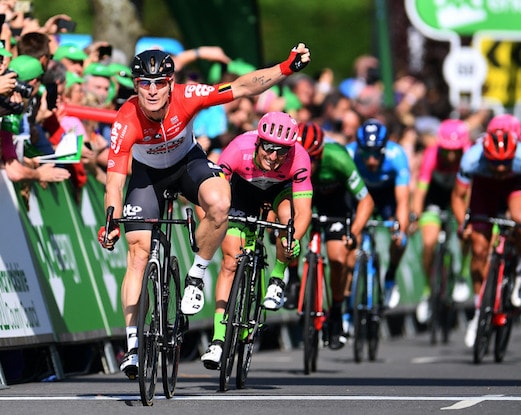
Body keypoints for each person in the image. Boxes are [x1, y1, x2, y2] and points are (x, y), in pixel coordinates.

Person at [97, 43, 311, 378]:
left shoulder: (189, 95)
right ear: (136, 86)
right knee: (138, 253)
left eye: (159, 83)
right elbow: (114, 182)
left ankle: (196, 276)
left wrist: (285, 67)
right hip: (146, 176)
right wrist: (109, 219)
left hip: (188, 165)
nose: (152, 91)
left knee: (220, 202)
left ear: (171, 84)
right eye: (144, 84)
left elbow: (242, 86)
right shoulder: (126, 120)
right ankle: (134, 345)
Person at [200, 111, 313, 369]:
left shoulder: (300, 158)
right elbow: (212, 195)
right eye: (269, 149)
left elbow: (304, 211)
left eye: (282, 152)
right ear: (258, 143)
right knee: (230, 262)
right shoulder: (238, 147)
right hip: (242, 189)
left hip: (279, 191)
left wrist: (292, 239)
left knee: (288, 218)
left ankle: (277, 277)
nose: (273, 158)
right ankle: (218, 340)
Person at [451, 128, 521, 348]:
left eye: (506, 162)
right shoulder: (472, 158)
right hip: (484, 190)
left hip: (514, 188)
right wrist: (462, 223)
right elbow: (457, 196)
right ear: (486, 156)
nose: (501, 168)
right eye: (495, 163)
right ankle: (478, 311)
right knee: (479, 249)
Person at [288, 120, 374, 349]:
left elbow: (366, 201)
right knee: (288, 226)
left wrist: (354, 232)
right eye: (302, 157)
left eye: (312, 159)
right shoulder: (289, 160)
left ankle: (336, 312)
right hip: (304, 196)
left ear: (320, 154)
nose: (307, 163)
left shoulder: (338, 158)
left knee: (337, 258)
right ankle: (293, 278)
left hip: (336, 205)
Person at [410, 119, 471, 324]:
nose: (452, 155)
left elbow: (471, 193)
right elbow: (420, 192)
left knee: (467, 232)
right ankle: (428, 291)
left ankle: (461, 274)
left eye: (456, 151)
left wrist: (467, 219)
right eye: (447, 150)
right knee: (428, 244)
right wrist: (415, 217)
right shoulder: (431, 155)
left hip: (460, 197)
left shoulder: (469, 156)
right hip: (434, 198)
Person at [346, 118, 410, 309]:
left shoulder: (397, 155)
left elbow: (403, 201)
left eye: (377, 154)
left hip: (386, 196)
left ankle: (390, 274)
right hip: (359, 193)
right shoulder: (349, 153)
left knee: (401, 239)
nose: (371, 160)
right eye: (366, 153)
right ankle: (347, 306)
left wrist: (401, 229)